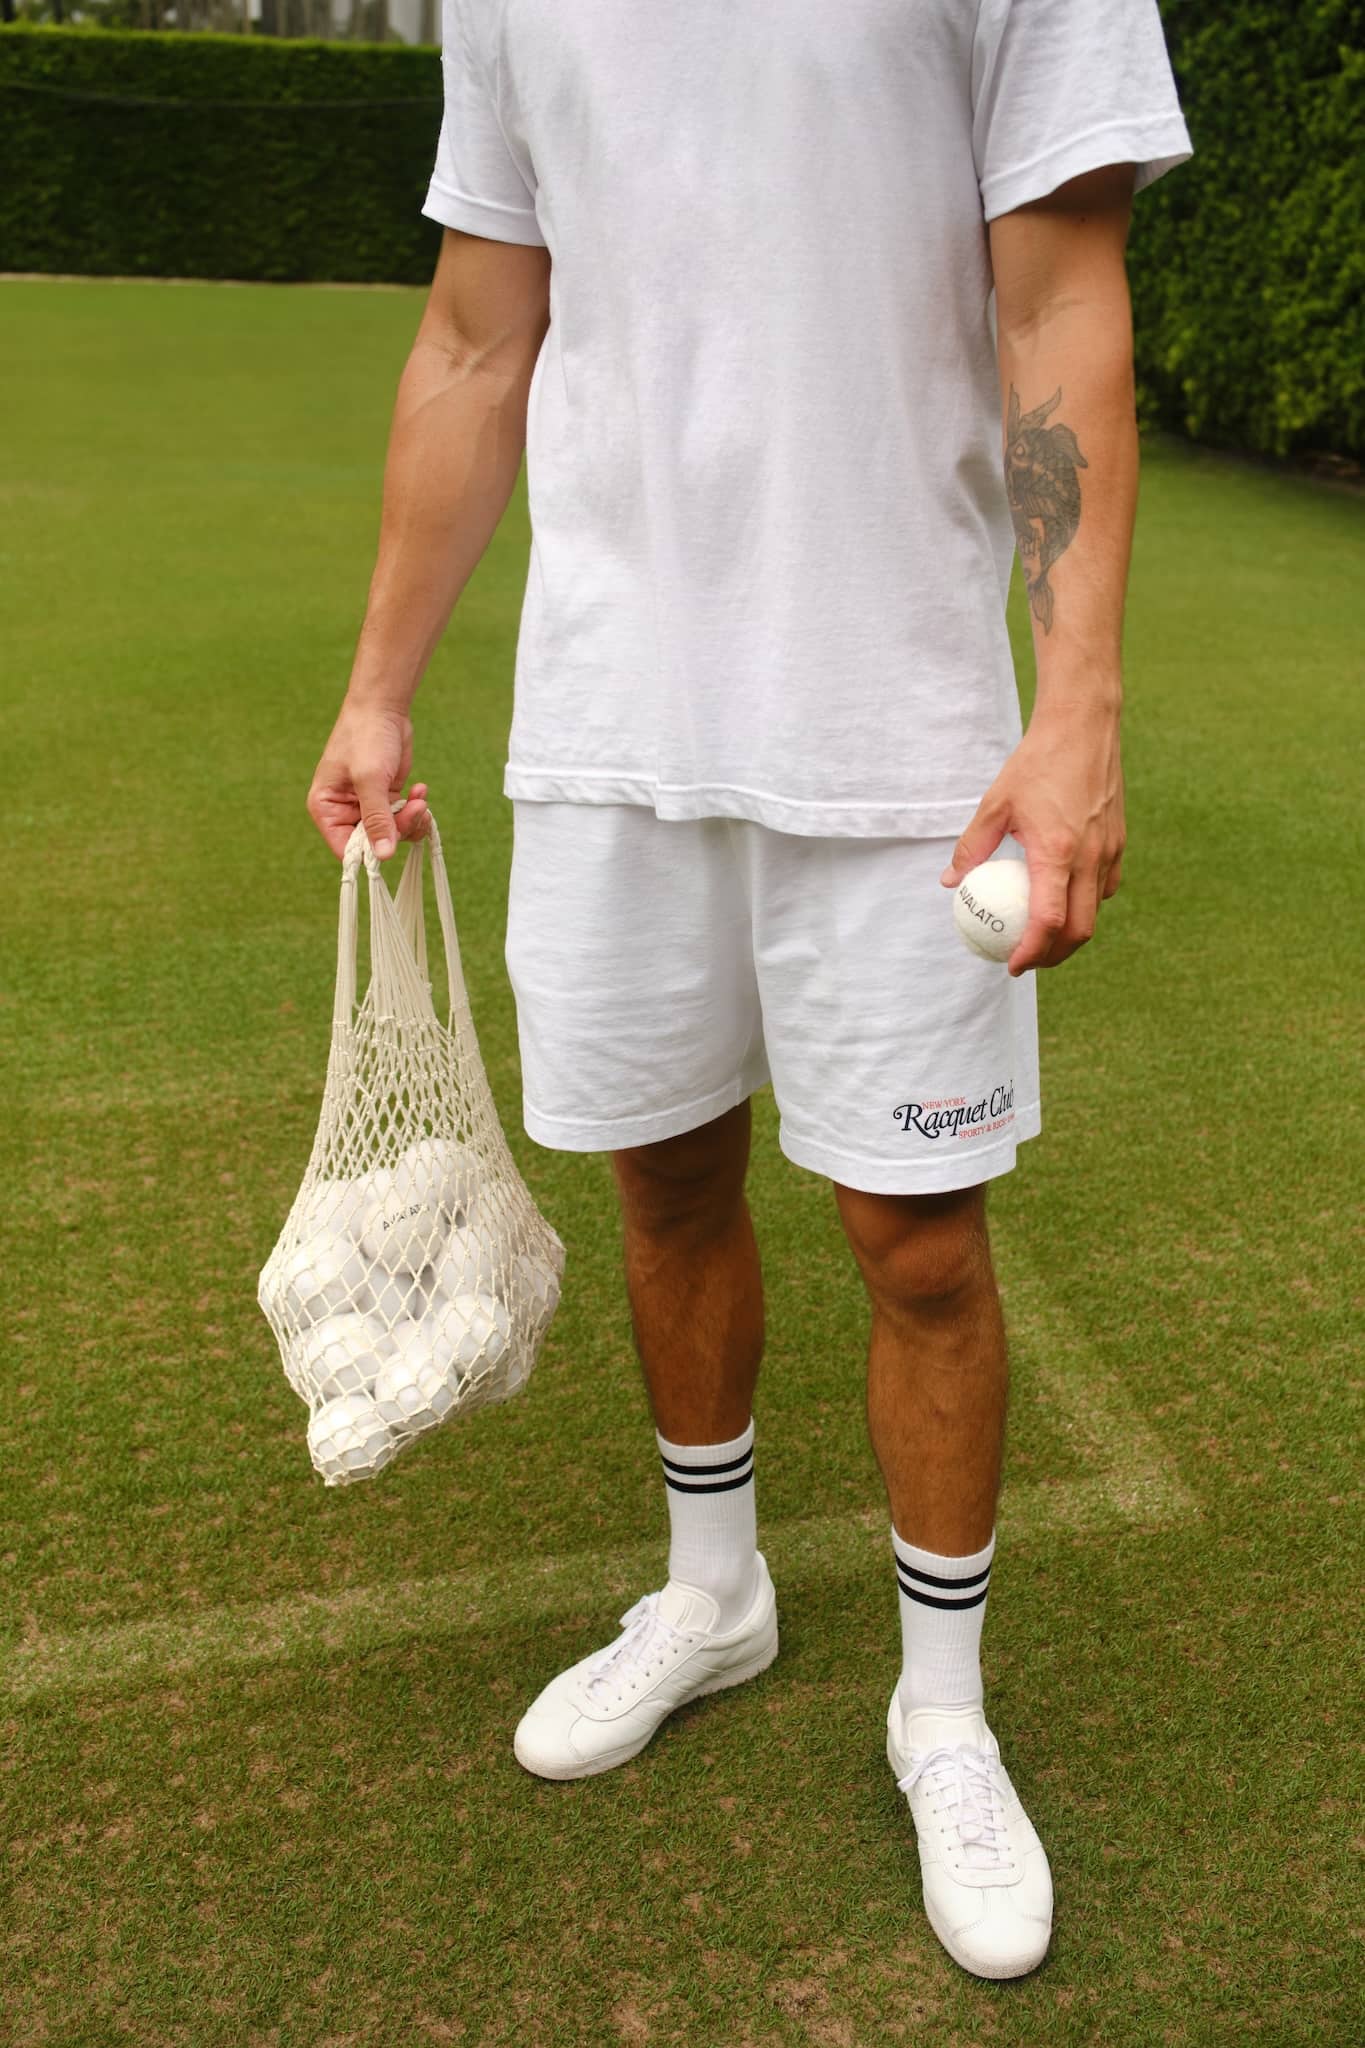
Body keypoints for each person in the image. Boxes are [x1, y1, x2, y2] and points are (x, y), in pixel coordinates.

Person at [308, 0, 1191, 1982]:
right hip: (608, 720)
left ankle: (939, 1709)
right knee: (661, 1184)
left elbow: (1054, 306)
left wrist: (1078, 709)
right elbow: (474, 332)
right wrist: (378, 682)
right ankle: (714, 1594)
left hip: (896, 734)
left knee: (915, 1242)